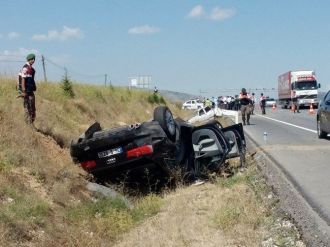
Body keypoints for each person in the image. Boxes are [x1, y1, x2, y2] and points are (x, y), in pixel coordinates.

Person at [18, 53, 37, 124]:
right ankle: (27, 125)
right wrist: (23, 91)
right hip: (25, 92)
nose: (33, 60)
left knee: (33, 110)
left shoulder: (32, 69)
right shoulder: (25, 68)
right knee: (27, 109)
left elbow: (31, 79)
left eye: (34, 59)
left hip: (30, 91)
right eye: (32, 59)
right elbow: (23, 79)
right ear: (28, 59)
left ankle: (30, 124)